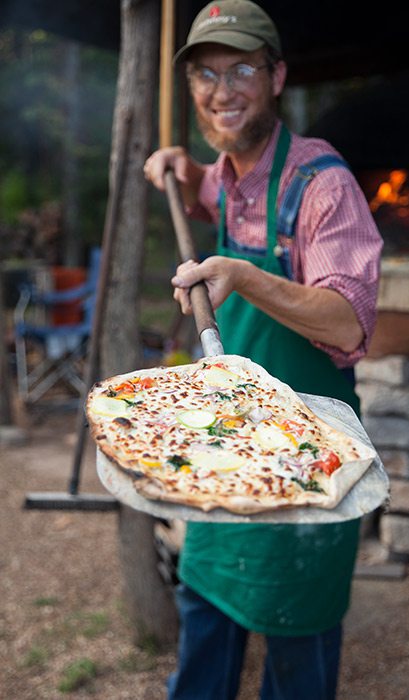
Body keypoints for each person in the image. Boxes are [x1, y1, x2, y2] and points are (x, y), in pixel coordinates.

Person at [144, 2, 383, 697]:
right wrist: (180, 167)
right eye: (206, 75)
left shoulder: (322, 186)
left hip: (307, 456)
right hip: (226, 444)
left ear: (276, 76)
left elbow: (344, 323)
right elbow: (209, 193)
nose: (222, 91)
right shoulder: (226, 176)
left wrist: (244, 277)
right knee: (206, 615)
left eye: (242, 69)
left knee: (296, 639)